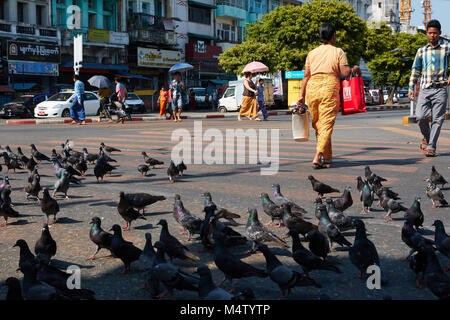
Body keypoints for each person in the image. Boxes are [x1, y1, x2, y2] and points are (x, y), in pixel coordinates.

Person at [298, 22, 360, 169]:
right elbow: (345, 73)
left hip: (312, 89)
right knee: (326, 124)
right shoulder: (338, 52)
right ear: (333, 36)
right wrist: (354, 69)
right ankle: (318, 153)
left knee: (320, 125)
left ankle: (327, 158)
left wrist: (301, 95)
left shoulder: (312, 53)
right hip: (329, 88)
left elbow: (306, 76)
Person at [408, 19, 450, 158]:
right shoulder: (421, 51)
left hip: (440, 89)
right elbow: (416, 69)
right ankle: (427, 137)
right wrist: (411, 87)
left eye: (435, 33)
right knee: (420, 117)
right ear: (426, 33)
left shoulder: (446, 48)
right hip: (425, 89)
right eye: (430, 33)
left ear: (439, 33)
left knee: (438, 120)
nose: (432, 36)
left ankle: (431, 147)